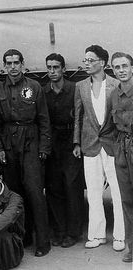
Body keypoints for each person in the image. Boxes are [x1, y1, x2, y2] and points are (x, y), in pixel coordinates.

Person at [0, 49, 51, 257]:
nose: (13, 66)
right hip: (9, 144)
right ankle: (23, 237)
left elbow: (43, 119)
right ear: (4, 66)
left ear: (23, 64)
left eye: (17, 62)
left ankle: (43, 241)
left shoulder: (34, 87)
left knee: (35, 192)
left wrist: (44, 147)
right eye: (9, 63)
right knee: (15, 194)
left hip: (31, 141)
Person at [73, 45, 125, 251]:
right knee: (93, 191)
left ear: (102, 63)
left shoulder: (115, 83)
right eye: (85, 60)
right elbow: (78, 116)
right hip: (90, 144)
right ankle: (97, 234)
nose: (86, 63)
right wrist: (76, 142)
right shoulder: (80, 86)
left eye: (90, 60)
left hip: (113, 144)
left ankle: (120, 236)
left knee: (118, 191)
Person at [43, 53, 84, 248]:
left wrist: (77, 143)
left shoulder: (74, 89)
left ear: (63, 69)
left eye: (56, 67)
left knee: (72, 186)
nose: (52, 71)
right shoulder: (44, 92)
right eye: (49, 68)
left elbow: (79, 117)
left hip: (70, 142)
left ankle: (73, 232)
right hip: (53, 142)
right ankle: (59, 230)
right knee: (54, 187)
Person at [110, 52, 133, 263]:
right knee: (127, 199)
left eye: (124, 66)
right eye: (117, 67)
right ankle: (132, 248)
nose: (121, 70)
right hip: (122, 148)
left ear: (132, 67)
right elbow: (110, 127)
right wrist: (115, 150)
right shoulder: (114, 94)